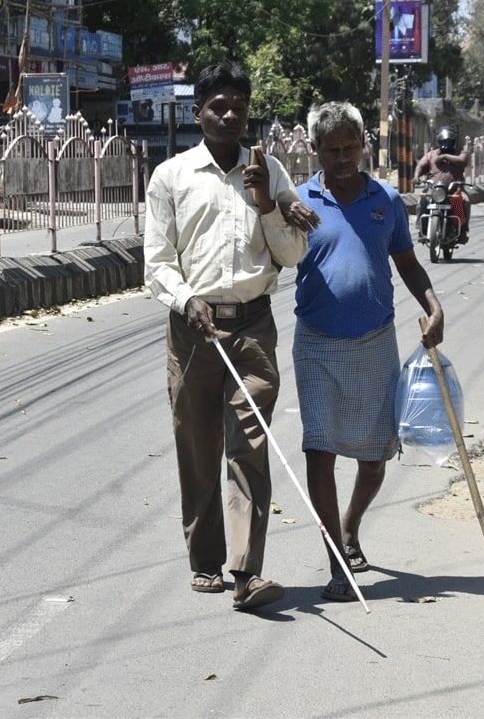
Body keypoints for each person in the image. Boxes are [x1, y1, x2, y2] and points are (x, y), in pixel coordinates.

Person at [144, 62, 319, 611]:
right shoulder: (170, 177)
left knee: (249, 445)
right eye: (218, 106)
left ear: (248, 114)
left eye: (238, 107)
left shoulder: (270, 171)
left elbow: (293, 254)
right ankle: (205, 560)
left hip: (252, 327)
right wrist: (186, 299)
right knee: (198, 446)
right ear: (198, 114)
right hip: (192, 328)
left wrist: (269, 204)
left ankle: (247, 574)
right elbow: (157, 264)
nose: (229, 115)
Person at [293, 101, 445, 602]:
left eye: (350, 147)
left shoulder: (387, 201)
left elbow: (407, 262)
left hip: (376, 342)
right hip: (315, 343)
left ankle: (350, 525)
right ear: (315, 150)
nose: (342, 157)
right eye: (332, 149)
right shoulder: (299, 202)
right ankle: (337, 557)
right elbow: (265, 253)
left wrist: (433, 305)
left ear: (364, 146)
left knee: (376, 456)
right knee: (319, 447)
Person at [414, 126, 471, 239]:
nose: (446, 143)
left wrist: (445, 156)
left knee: (466, 201)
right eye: (444, 141)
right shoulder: (431, 155)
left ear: (453, 141)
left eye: (449, 141)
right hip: (434, 190)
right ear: (439, 141)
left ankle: (463, 231)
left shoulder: (459, 153)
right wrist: (416, 177)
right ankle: (422, 229)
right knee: (422, 201)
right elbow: (421, 165)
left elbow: (463, 161)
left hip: (454, 190)